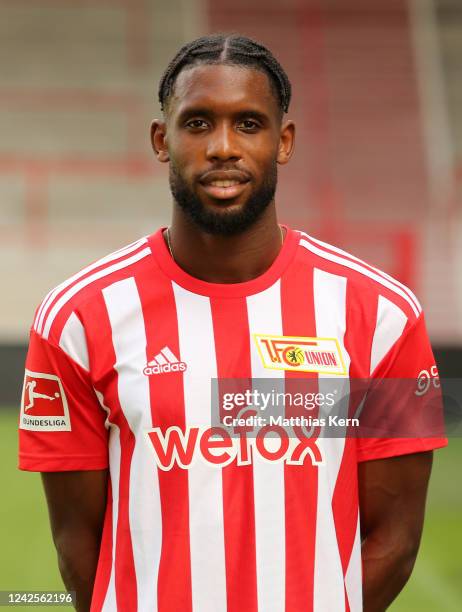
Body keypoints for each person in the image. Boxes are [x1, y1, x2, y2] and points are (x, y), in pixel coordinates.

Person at [19, 34, 447, 612]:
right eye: (197, 124)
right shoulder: (76, 317)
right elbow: (77, 546)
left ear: (284, 140)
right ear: (160, 140)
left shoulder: (386, 317)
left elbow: (396, 540)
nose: (223, 147)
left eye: (248, 123)